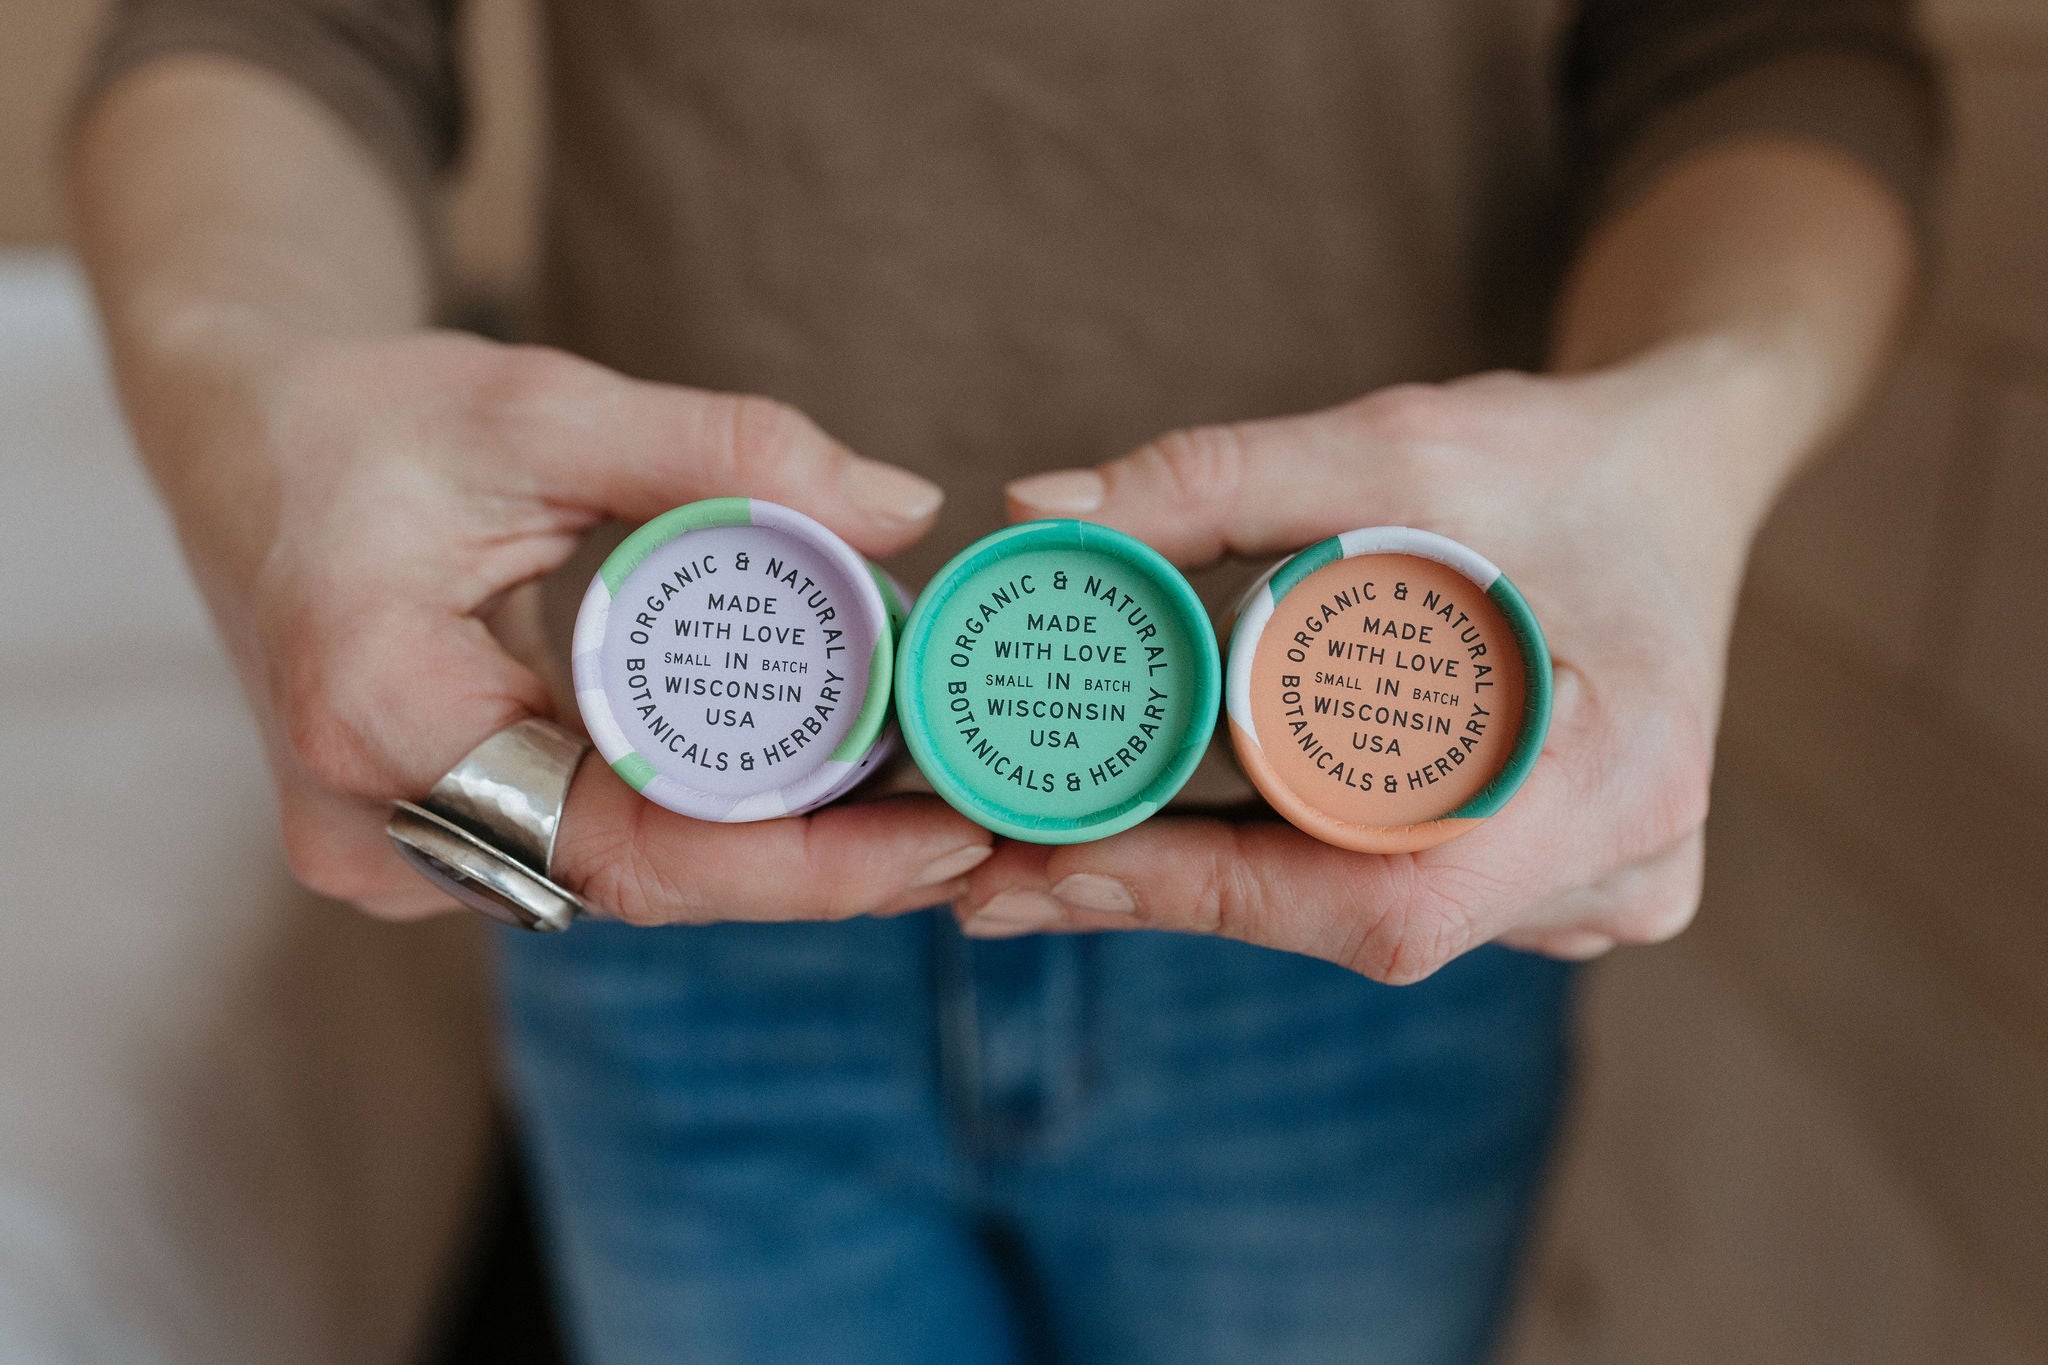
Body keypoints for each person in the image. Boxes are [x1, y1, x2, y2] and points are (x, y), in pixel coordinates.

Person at [66, 1, 1941, 1361]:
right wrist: (253, 420)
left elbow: (1764, 43)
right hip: (667, 886)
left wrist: (1685, 430)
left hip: (1366, 906)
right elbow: (273, 29)